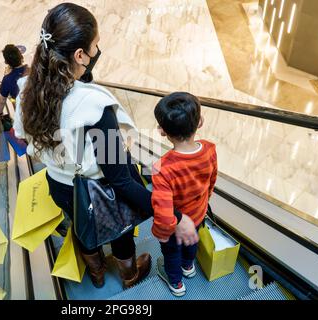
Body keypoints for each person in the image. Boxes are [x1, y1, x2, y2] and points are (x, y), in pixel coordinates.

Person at [14, 3, 192, 290]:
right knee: (119, 230)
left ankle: (96, 274)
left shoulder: (25, 88)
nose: (98, 51)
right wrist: (174, 216)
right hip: (99, 190)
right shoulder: (94, 107)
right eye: (96, 45)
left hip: (59, 185)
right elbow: (120, 179)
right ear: (80, 55)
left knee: (82, 225)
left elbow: (21, 136)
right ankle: (129, 274)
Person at [151, 92, 218, 296]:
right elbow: (211, 180)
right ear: (200, 122)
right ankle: (188, 267)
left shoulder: (162, 168)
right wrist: (204, 203)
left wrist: (162, 235)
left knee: (171, 254)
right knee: (192, 242)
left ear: (162, 131)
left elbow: (163, 213)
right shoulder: (209, 149)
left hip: (175, 226)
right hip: (198, 215)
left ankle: (176, 284)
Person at [0, 44, 29, 116]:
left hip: (25, 115)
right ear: (21, 56)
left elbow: (2, 101)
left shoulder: (7, 80)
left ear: (6, 62)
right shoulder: (33, 70)